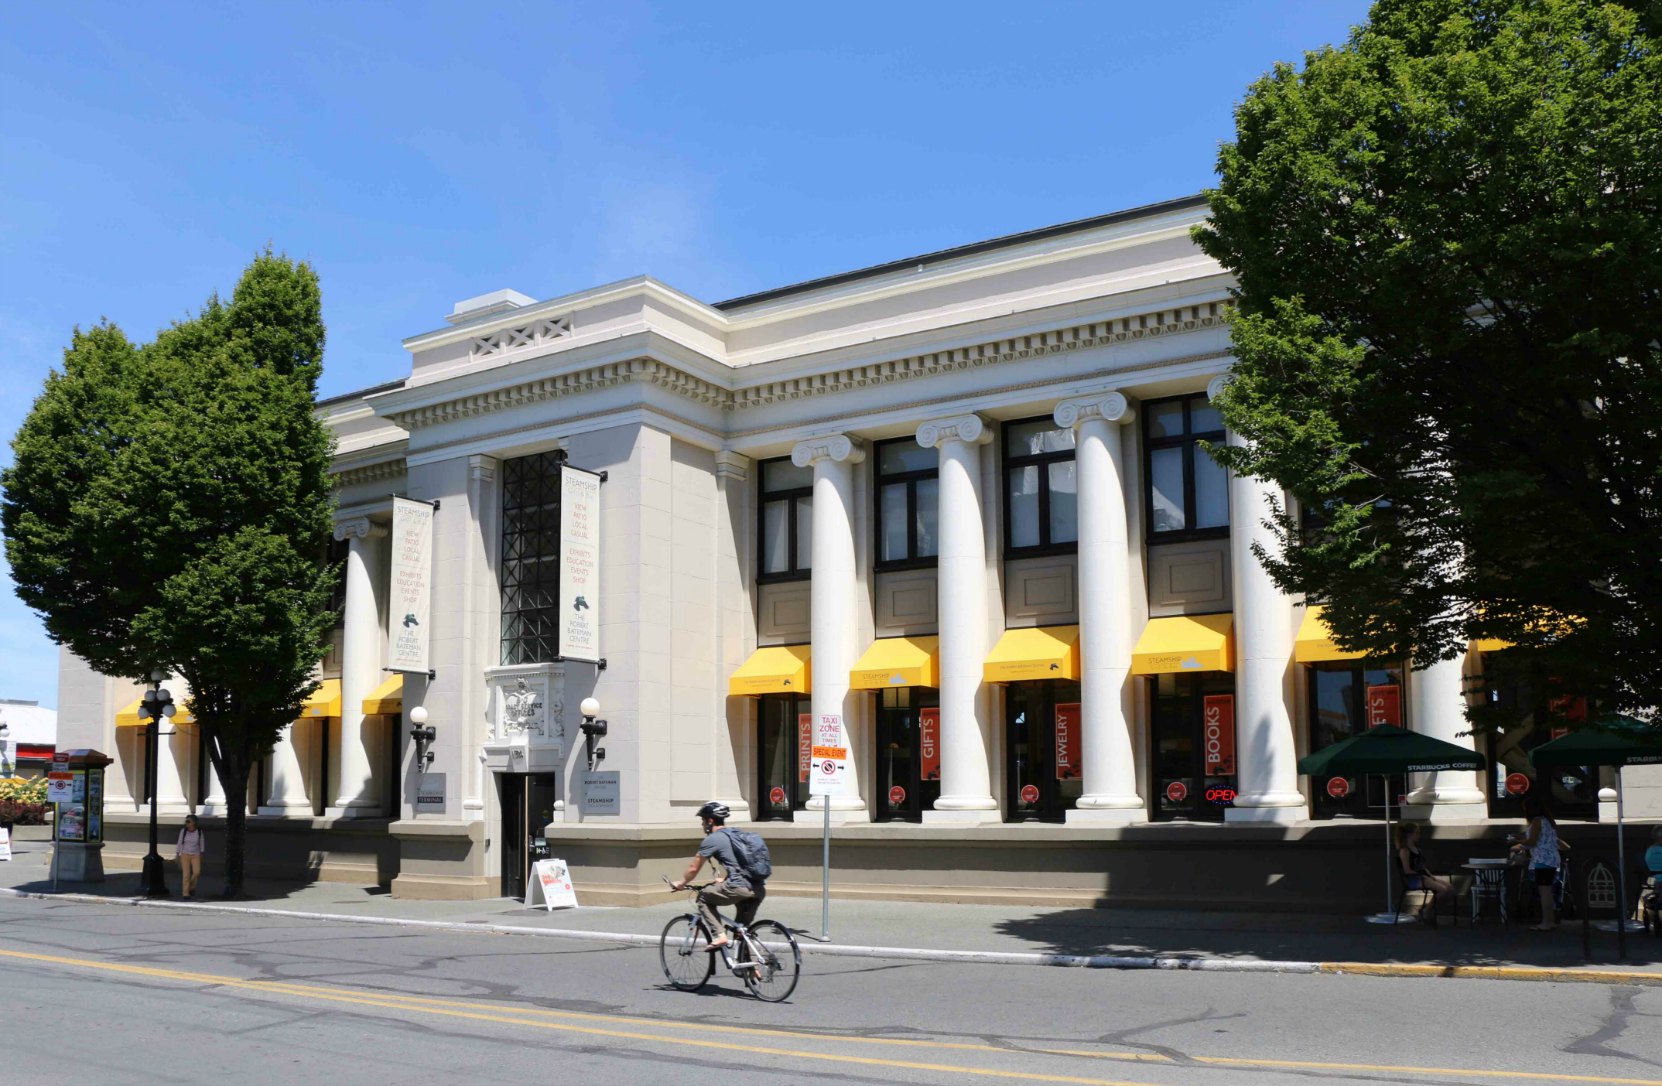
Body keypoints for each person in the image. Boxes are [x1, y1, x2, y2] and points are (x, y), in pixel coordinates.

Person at [669, 801, 764, 954]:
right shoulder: (736, 834)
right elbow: (740, 864)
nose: (702, 824)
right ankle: (753, 970)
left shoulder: (713, 839)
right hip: (758, 888)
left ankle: (719, 935)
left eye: (703, 820)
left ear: (710, 821)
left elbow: (693, 868)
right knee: (742, 931)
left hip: (739, 888)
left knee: (703, 898)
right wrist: (725, 879)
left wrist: (681, 883)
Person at [1509, 795, 1562, 931]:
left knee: (1544, 891)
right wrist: (1521, 838)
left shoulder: (1537, 821)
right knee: (1548, 891)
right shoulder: (1547, 821)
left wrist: (1516, 842)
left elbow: (1532, 842)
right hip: (1551, 859)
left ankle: (1545, 923)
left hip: (1542, 860)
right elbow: (1537, 838)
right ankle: (1551, 921)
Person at [1395, 822, 1453, 925]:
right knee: (1443, 890)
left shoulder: (1418, 850)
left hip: (1424, 876)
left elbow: (1422, 866)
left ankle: (1428, 909)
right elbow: (1407, 870)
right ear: (1410, 834)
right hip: (1414, 879)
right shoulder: (1405, 850)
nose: (1419, 835)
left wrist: (1431, 876)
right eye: (1417, 833)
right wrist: (1421, 876)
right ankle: (1426, 912)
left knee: (1450, 889)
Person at [176, 814, 205, 898]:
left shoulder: (199, 831)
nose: (186, 823)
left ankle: (191, 887)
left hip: (196, 854)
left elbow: (201, 842)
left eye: (188, 821)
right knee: (186, 874)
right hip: (185, 854)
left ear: (194, 823)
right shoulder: (183, 831)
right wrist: (178, 854)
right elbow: (179, 842)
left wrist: (202, 853)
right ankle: (185, 893)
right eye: (186, 821)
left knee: (197, 872)